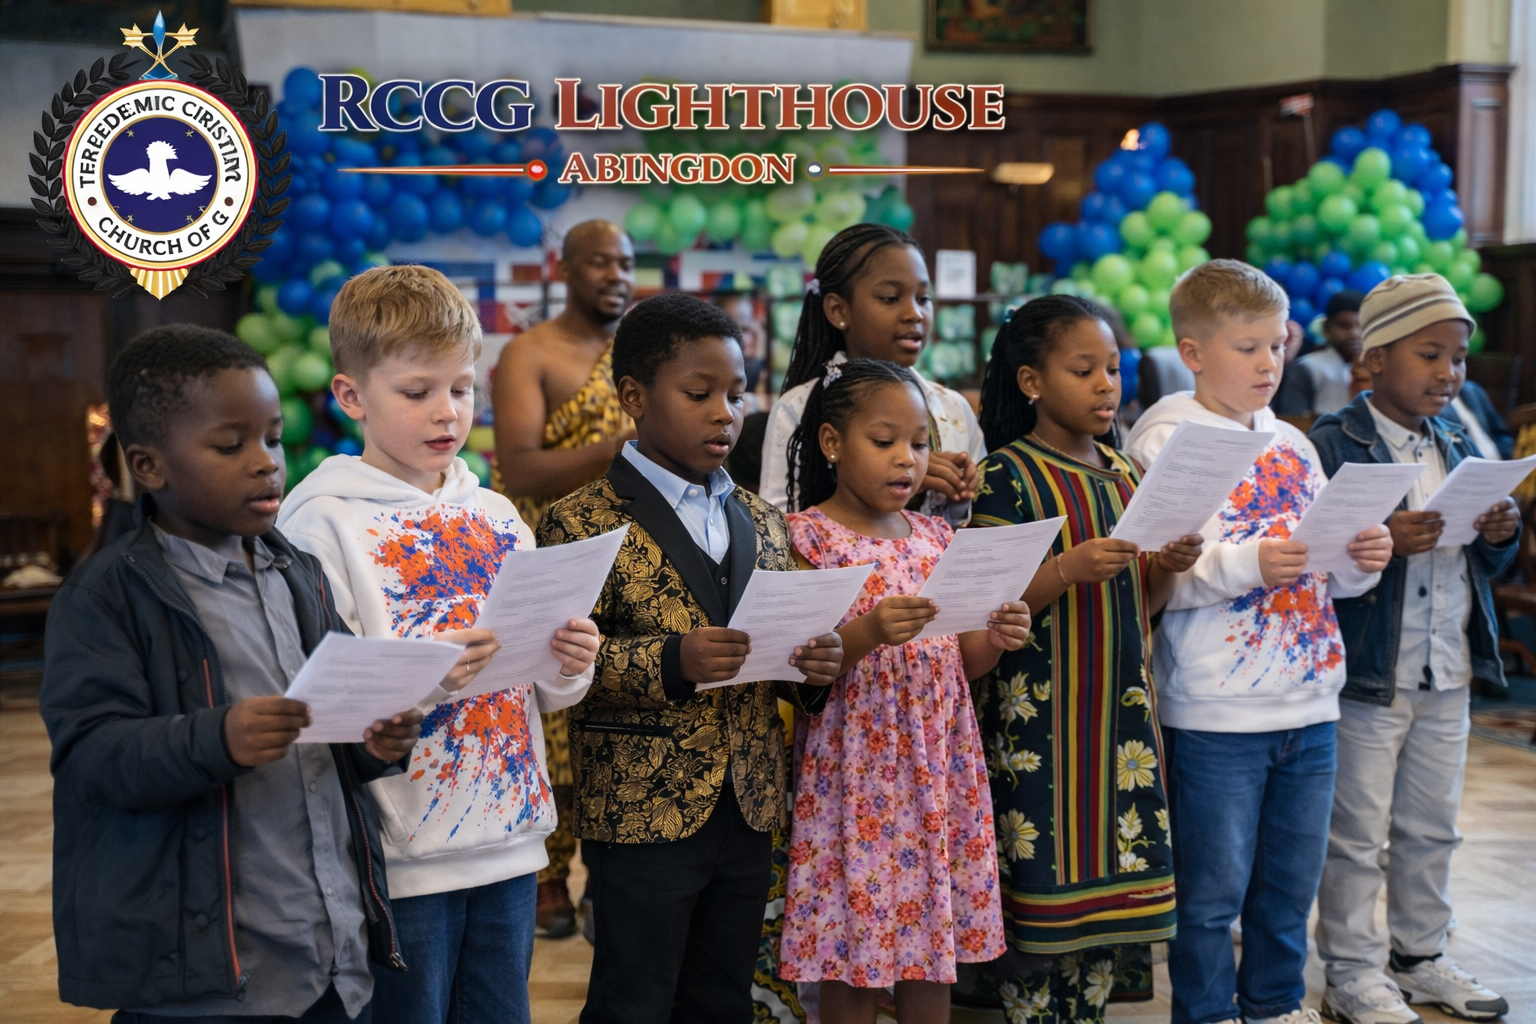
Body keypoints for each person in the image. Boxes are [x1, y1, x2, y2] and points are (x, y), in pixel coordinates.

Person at [42, 325, 425, 1021]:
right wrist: (215, 739)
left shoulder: (296, 572)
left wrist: (371, 745)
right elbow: (91, 758)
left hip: (329, 955)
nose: (265, 464)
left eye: (273, 439)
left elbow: (328, 732)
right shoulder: (105, 597)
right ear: (149, 466)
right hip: (204, 975)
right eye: (230, 445)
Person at [279, 265, 602, 1024]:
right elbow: (322, 697)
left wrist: (571, 660)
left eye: (462, 389)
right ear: (351, 395)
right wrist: (428, 674)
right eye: (416, 391)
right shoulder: (321, 523)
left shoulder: (496, 512)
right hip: (399, 850)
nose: (446, 413)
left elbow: (549, 691)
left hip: (513, 839)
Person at [535, 293, 845, 1024]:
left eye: (737, 395)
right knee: (632, 1000)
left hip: (747, 806)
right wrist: (674, 659)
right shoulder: (580, 520)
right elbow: (560, 669)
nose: (725, 414)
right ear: (635, 397)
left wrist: (814, 667)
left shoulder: (764, 521)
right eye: (699, 393)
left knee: (720, 999)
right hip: (640, 812)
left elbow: (781, 642)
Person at [1123, 260, 1393, 1024]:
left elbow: (1321, 573)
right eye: (1248, 348)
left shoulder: (1297, 446)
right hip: (1215, 712)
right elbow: (1161, 577)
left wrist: (1359, 564)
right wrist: (1248, 562)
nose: (1269, 364)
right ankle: (1206, 1014)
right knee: (1211, 896)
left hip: (1310, 702)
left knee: (1288, 886)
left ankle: (1275, 1004)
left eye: (1277, 346)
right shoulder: (1166, 441)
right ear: (1194, 352)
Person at [971, 295, 1204, 1021]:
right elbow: (984, 612)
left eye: (1113, 367)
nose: (1108, 384)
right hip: (1041, 728)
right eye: (1085, 369)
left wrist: (1168, 563)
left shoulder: (1125, 475)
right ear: (1032, 381)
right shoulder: (1005, 477)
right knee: (1042, 897)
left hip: (1119, 725)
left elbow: (1149, 604)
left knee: (1108, 907)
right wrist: (1066, 569)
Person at [776, 358, 1028, 1023]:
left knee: (927, 945)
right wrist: (867, 632)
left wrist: (995, 634)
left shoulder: (938, 536)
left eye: (918, 444)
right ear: (833, 443)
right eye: (883, 441)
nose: (905, 460)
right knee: (854, 947)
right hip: (855, 773)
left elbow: (961, 662)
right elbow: (799, 667)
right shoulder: (807, 538)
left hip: (936, 768)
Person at [1310, 274, 1519, 1024]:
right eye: (1430, 354)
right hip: (1370, 675)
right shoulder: (1335, 442)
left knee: (1434, 825)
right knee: (1358, 834)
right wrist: (1380, 544)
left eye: (1458, 357)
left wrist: (1500, 534)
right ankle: (1353, 971)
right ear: (1373, 359)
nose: (1449, 373)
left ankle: (1420, 955)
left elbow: (1485, 564)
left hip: (1448, 667)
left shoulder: (1460, 436)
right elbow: (1311, 561)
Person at [492, 218, 635, 936]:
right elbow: (520, 468)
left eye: (626, 263)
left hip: (625, 559)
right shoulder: (529, 353)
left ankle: (605, 874)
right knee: (546, 721)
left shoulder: (638, 352)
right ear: (567, 267)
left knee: (610, 717)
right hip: (547, 554)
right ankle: (548, 877)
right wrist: (626, 446)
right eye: (600, 262)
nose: (616, 274)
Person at [760, 223, 985, 525]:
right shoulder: (799, 408)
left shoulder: (953, 408)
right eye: (891, 298)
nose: (915, 314)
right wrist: (902, 482)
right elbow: (776, 526)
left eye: (924, 298)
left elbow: (976, 525)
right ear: (839, 310)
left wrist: (959, 497)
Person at [1274, 290, 1364, 416]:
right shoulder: (1305, 368)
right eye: (1344, 326)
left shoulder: (1379, 370)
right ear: (1326, 329)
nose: (1354, 334)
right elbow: (1295, 421)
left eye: (1361, 326)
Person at [1443, 377, 1512, 461]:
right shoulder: (1434, 403)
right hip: (1468, 468)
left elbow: (1501, 432)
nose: (1451, 373)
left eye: (1457, 363)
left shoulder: (1473, 389)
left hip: (1500, 462)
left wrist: (1506, 458)